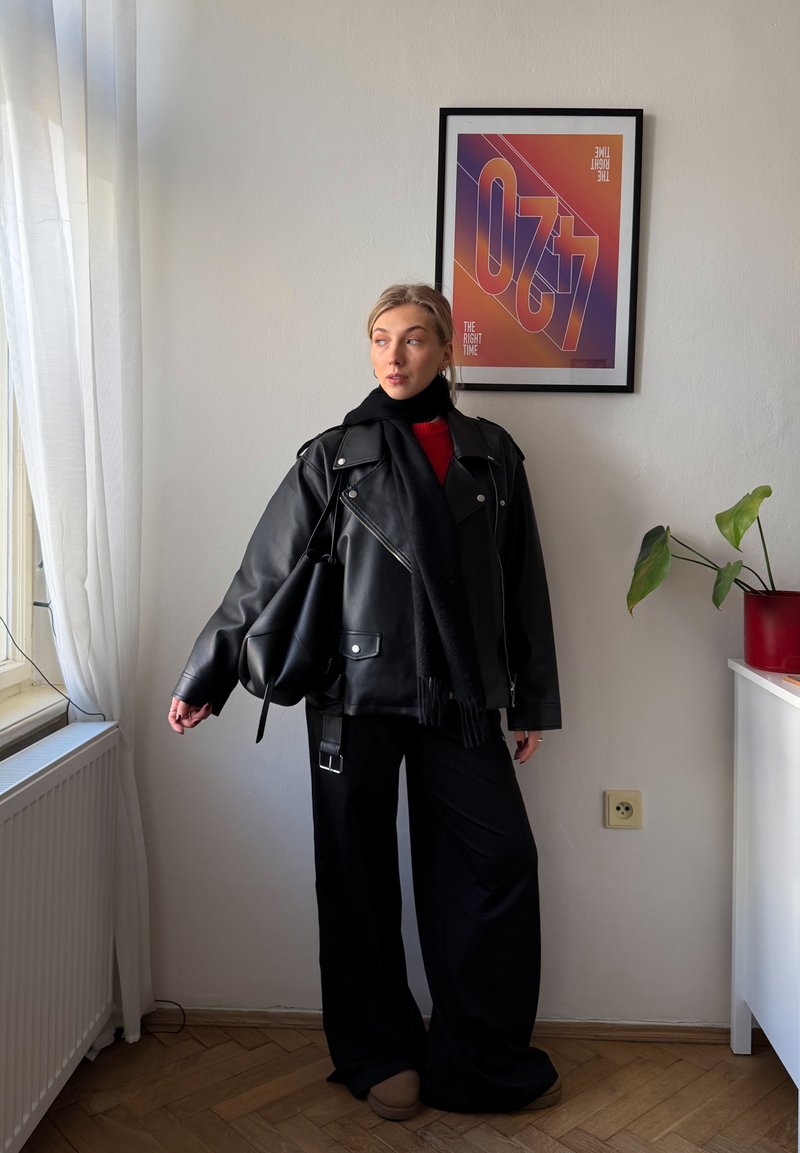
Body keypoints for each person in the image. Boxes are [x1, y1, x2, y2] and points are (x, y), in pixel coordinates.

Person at [169, 283, 562, 1120]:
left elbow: (523, 585)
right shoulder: (333, 456)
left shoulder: (493, 454)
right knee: (357, 876)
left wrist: (529, 699)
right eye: (381, 337)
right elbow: (263, 573)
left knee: (499, 860)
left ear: (446, 350)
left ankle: (476, 1052)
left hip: (462, 698)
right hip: (353, 696)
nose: (394, 354)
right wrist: (207, 673)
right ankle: (379, 1049)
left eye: (414, 338)